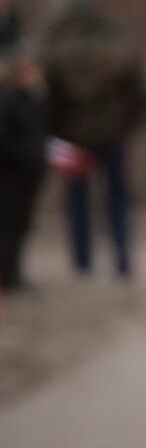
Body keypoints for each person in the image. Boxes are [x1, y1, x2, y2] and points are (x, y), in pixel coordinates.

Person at [42, 0, 145, 279]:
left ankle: (82, 262)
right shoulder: (117, 43)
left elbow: (51, 92)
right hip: (113, 132)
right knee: (117, 197)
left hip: (74, 133)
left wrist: (54, 130)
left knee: (77, 201)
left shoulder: (59, 45)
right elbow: (133, 86)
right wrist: (129, 123)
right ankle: (122, 259)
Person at [0, 48, 48, 290]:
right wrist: (25, 155)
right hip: (11, 176)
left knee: (20, 226)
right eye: (30, 72)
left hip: (29, 175)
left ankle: (14, 275)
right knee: (8, 227)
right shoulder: (7, 101)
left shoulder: (34, 101)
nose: (35, 76)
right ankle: (7, 276)